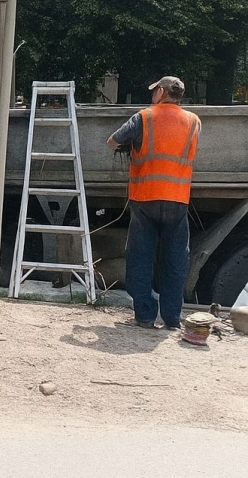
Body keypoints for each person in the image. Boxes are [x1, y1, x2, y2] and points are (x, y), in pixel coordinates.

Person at [106, 76, 201, 329]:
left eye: (153, 92)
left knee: (140, 257)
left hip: (145, 198)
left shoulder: (144, 117)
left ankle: (146, 316)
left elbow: (113, 141)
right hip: (178, 199)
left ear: (160, 92)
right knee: (175, 261)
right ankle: (171, 318)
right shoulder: (193, 121)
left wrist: (130, 146)